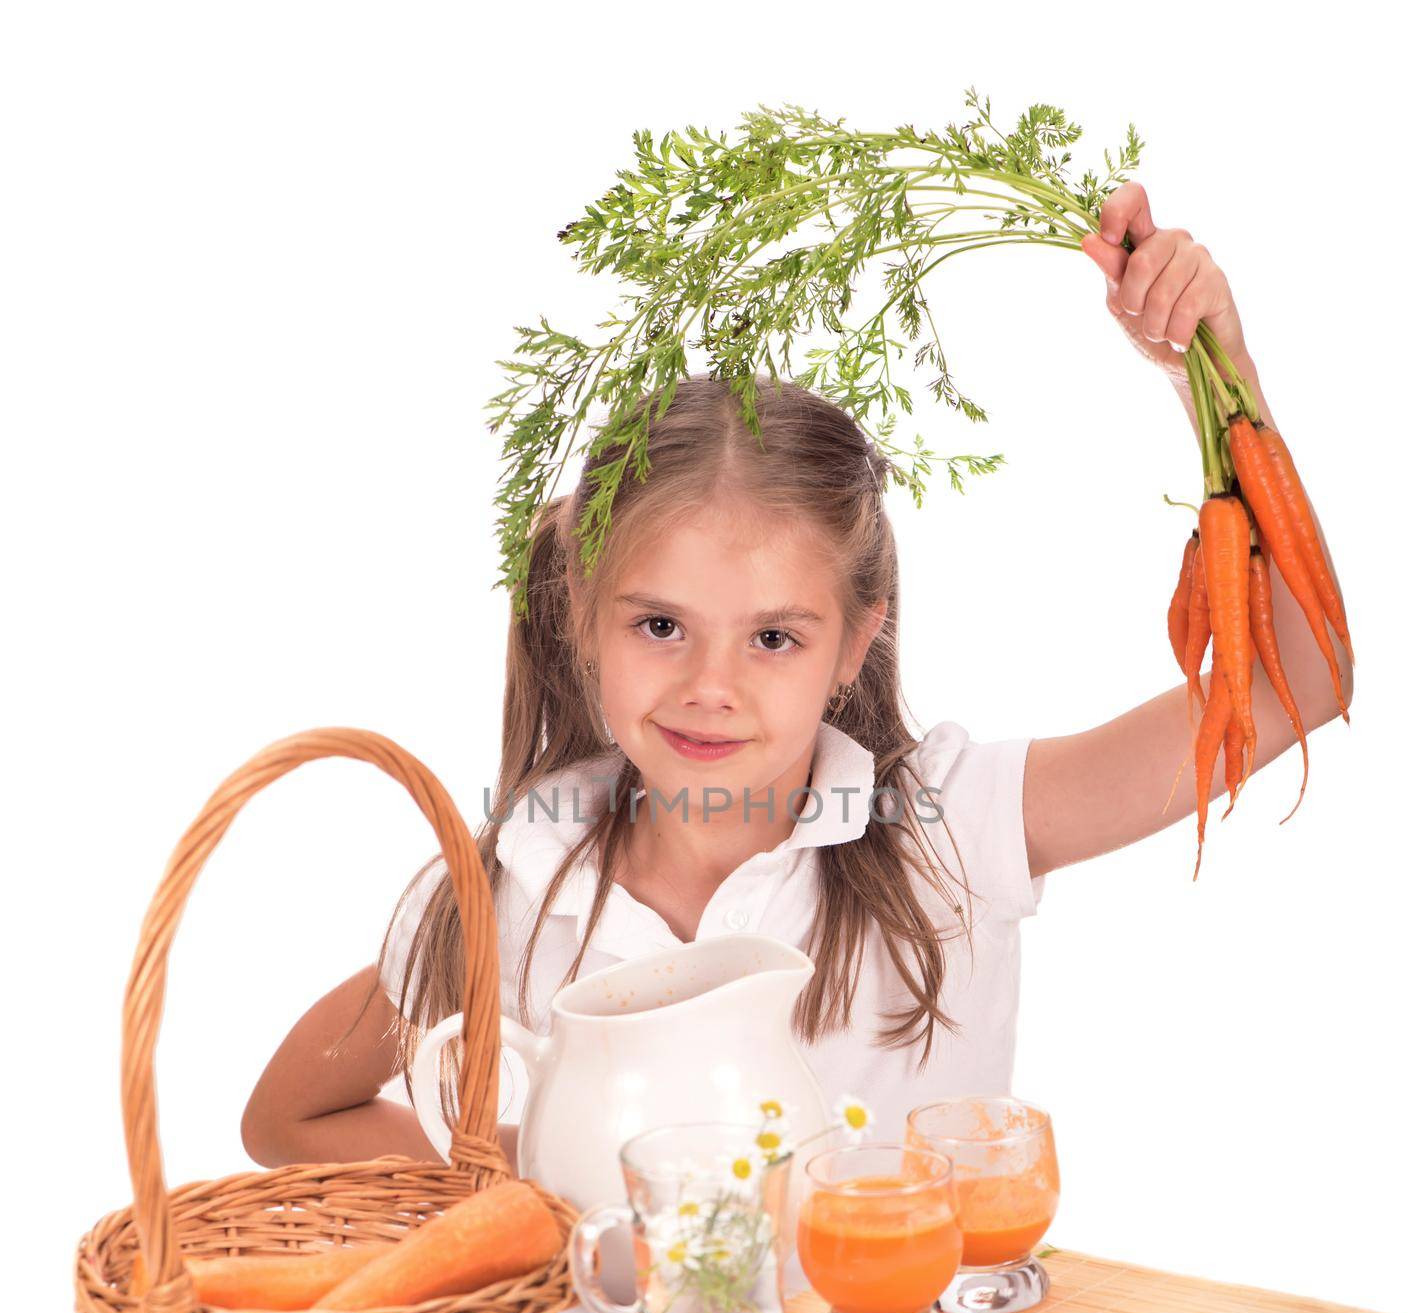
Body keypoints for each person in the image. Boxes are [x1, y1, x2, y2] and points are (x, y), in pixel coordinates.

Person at [241, 181, 1353, 1176]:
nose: (709, 686)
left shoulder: (949, 829)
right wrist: (525, 1191)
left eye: (772, 637)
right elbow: (292, 1116)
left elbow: (1299, 685)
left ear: (852, 642)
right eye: (662, 624)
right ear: (583, 617)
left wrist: (1215, 379)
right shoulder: (510, 885)